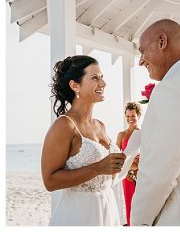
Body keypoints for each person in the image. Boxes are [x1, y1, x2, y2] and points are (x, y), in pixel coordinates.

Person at [41, 55, 127, 226]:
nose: (102, 83)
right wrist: (97, 168)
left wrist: (124, 165)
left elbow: (108, 176)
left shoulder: (100, 125)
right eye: (94, 78)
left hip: (107, 208)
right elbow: (49, 181)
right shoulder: (64, 125)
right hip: (79, 214)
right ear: (75, 85)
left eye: (101, 77)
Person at [130, 19, 180, 226]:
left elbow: (158, 175)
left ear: (162, 41)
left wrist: (138, 222)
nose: (141, 61)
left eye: (143, 51)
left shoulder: (170, 88)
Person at [116, 102, 143, 225]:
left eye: (133, 116)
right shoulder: (121, 135)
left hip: (140, 173)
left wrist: (137, 165)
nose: (130, 119)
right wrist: (129, 167)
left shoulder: (143, 134)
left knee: (141, 203)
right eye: (127, 116)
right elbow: (116, 155)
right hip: (126, 174)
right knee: (128, 202)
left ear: (138, 116)